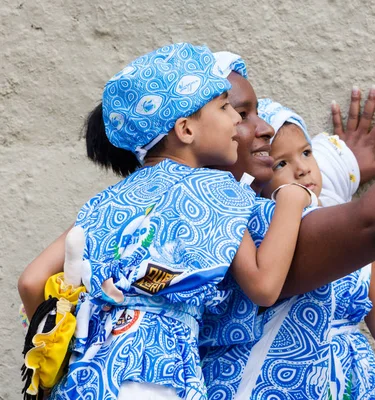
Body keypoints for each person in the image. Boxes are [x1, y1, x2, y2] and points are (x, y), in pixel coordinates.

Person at [19, 40, 375, 397]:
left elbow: (32, 281)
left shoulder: (112, 206)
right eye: (233, 109)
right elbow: (374, 223)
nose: (253, 126)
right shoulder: (229, 205)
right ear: (187, 128)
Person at [47, 43, 315, 400]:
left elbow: (33, 281)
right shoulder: (217, 188)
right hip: (156, 377)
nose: (236, 119)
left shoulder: (105, 201)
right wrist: (293, 199)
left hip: (87, 377)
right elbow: (264, 286)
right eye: (225, 107)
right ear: (186, 129)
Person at [246, 97, 375, 398]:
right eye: (281, 163)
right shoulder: (261, 233)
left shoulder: (345, 227)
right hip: (280, 381)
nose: (302, 169)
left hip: (351, 381)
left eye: (307, 152)